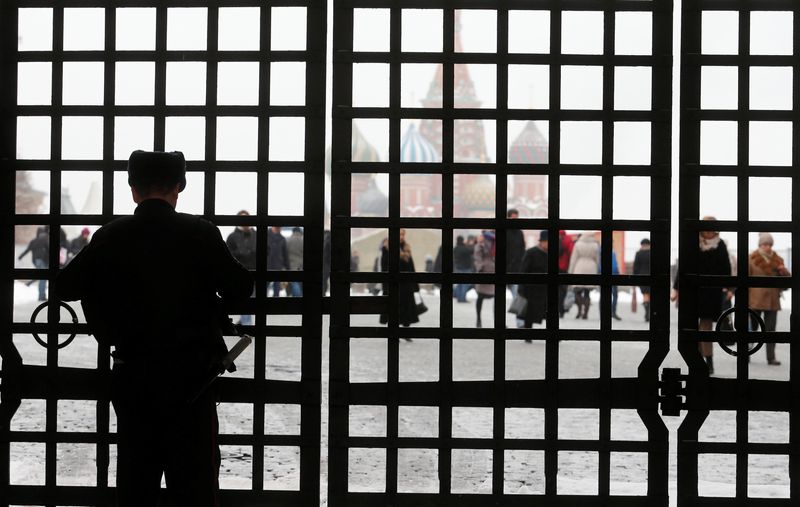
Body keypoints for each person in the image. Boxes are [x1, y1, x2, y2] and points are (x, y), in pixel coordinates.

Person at [56, 150, 254, 506]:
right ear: (179, 187)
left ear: (133, 190)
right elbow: (240, 287)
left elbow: (65, 286)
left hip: (134, 375)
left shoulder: (111, 235)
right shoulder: (200, 233)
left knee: (137, 481)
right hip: (193, 378)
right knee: (195, 484)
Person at [671, 217, 731, 375]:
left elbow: (726, 268)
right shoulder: (692, 243)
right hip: (692, 291)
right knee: (691, 328)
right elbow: (683, 267)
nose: (709, 233)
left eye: (712, 230)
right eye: (706, 229)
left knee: (705, 329)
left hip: (711, 293)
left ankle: (708, 361)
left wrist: (728, 287)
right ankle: (695, 360)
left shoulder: (720, 244)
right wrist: (676, 289)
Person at [748, 233, 790, 365]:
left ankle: (771, 357)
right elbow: (745, 280)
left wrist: (783, 271)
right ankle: (746, 353)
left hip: (772, 300)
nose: (767, 247)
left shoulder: (778, 260)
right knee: (751, 330)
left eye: (769, 245)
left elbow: (788, 281)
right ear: (760, 245)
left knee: (771, 331)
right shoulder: (751, 259)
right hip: (755, 300)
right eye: (765, 244)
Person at [379, 229, 420, 329]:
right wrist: (385, 285)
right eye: (399, 234)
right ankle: (394, 330)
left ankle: (406, 329)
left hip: (406, 282)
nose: (401, 236)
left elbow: (411, 266)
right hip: (393, 282)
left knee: (407, 306)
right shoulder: (387, 248)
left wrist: (415, 284)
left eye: (403, 234)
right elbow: (384, 266)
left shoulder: (406, 248)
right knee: (394, 307)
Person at [226, 211, 257, 325]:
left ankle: (245, 321)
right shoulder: (232, 237)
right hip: (239, 272)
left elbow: (265, 251)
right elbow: (228, 254)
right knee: (245, 298)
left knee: (250, 298)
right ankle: (247, 323)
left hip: (255, 271)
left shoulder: (257, 235)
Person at [519, 230, 548, 329]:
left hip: (545, 289)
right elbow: (523, 270)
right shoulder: (531, 253)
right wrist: (522, 287)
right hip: (532, 288)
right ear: (542, 241)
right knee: (529, 312)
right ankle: (528, 332)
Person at [568, 232, 600, 319]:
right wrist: (596, 271)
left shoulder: (578, 244)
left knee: (578, 292)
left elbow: (573, 259)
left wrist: (570, 272)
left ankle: (579, 311)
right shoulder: (595, 245)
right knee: (587, 293)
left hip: (579, 267)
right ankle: (586, 313)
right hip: (591, 268)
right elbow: (597, 260)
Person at [506, 209, 526, 327]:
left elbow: (522, 249)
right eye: (513, 218)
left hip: (516, 269)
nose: (515, 220)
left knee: (517, 297)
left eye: (516, 218)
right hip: (504, 268)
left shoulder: (519, 232)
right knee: (498, 298)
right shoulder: (504, 232)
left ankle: (520, 322)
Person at [19, 226, 50, 301]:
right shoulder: (45, 239)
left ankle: (30, 283)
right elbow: (49, 249)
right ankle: (41, 296)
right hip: (43, 260)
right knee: (43, 277)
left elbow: (27, 249)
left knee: (41, 275)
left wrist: (21, 256)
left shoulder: (34, 240)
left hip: (37, 260)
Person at [474, 230, 496, 328]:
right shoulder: (482, 239)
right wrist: (480, 268)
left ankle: (498, 320)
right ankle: (478, 319)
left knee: (498, 299)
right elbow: (477, 255)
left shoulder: (496, 238)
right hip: (484, 271)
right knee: (480, 297)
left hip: (495, 270)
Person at [266, 226, 289, 296]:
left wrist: (287, 268)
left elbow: (285, 254)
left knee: (276, 289)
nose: (278, 228)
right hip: (267, 266)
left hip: (277, 266)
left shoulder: (282, 239)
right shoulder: (266, 236)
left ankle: (274, 304)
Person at [633, 238, 651, 321]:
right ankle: (649, 312)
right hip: (651, 276)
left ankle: (647, 312)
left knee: (645, 295)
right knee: (650, 295)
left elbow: (636, 267)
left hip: (641, 276)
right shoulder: (652, 253)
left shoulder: (638, 253)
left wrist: (635, 278)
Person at [557, 230, 575, 317]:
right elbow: (572, 253)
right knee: (563, 290)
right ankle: (561, 310)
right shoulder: (568, 240)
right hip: (565, 268)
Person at [453, 235, 474, 302]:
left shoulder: (456, 248)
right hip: (466, 268)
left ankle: (459, 297)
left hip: (458, 267)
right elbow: (471, 251)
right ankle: (462, 298)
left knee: (459, 283)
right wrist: (470, 244)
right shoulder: (464, 248)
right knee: (465, 284)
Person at [286, 227, 304, 297]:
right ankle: (298, 297)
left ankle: (296, 297)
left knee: (293, 282)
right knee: (298, 282)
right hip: (300, 265)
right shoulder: (302, 241)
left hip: (291, 265)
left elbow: (285, 253)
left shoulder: (288, 240)